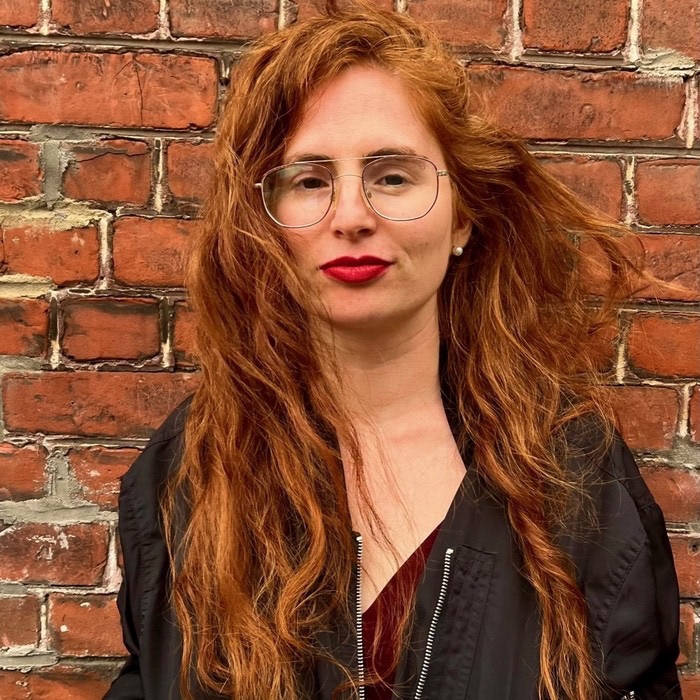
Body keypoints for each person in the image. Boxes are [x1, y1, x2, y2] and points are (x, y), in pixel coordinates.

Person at [105, 2, 683, 699]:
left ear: (461, 216)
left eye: (393, 176)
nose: (351, 216)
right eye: (310, 180)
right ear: (263, 223)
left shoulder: (574, 476)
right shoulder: (186, 475)